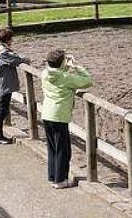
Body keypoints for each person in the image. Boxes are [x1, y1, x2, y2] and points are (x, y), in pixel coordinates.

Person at [41, 49, 93, 189]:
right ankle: (60, 180)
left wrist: (64, 66)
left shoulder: (45, 73)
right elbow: (87, 81)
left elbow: (56, 71)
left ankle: (53, 177)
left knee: (52, 148)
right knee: (63, 150)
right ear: (62, 62)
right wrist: (76, 67)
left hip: (47, 114)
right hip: (59, 116)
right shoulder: (65, 77)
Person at [0, 28, 31, 145]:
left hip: (2, 81)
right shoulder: (3, 52)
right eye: (11, 38)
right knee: (2, 109)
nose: (12, 40)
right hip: (4, 83)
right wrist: (25, 59)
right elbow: (15, 59)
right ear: (7, 39)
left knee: (3, 108)